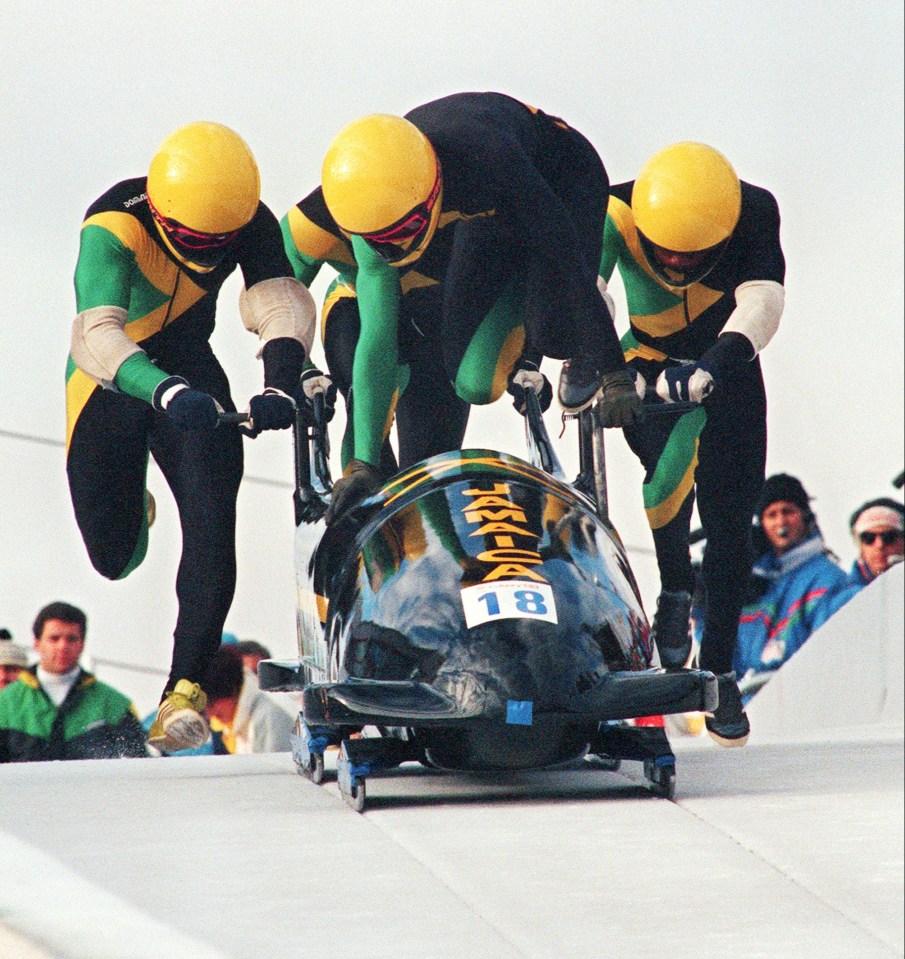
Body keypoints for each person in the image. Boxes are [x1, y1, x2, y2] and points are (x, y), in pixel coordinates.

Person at [66, 122, 316, 753]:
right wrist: (165, 392)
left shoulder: (249, 218)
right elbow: (98, 336)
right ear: (160, 212)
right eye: (191, 241)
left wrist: (281, 383)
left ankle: (185, 691)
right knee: (113, 558)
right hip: (114, 379)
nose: (207, 252)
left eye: (219, 243)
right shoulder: (112, 224)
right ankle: (135, 506)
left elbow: (281, 302)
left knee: (212, 518)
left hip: (189, 366)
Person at [313, 92, 642, 523]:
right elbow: (377, 339)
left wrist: (614, 370)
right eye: (380, 241)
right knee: (470, 380)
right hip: (485, 209)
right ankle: (533, 296)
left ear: (431, 195)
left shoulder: (490, 165)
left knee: (553, 327)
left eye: (407, 231)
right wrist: (364, 464)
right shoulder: (370, 213)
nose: (396, 248)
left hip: (558, 177)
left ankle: (571, 328)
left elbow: (567, 260)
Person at [599, 142, 786, 746]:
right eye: (665, 255)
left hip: (724, 364)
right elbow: (586, 287)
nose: (677, 263)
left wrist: (717, 362)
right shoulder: (615, 211)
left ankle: (722, 665)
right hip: (644, 362)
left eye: (693, 256)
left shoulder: (755, 211)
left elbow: (762, 301)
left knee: (731, 517)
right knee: (665, 478)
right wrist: (602, 367)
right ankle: (675, 586)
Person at [733, 475, 849, 700]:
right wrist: (703, 611)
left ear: (806, 516)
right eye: (771, 515)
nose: (781, 522)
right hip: (750, 708)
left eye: (788, 511)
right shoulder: (753, 584)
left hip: (801, 703)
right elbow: (730, 662)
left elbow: (828, 654)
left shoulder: (828, 578)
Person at [0, 602, 147, 762]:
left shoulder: (115, 706)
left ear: (82, 644)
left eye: (71, 639)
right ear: (37, 643)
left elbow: (138, 771)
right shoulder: (5, 705)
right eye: (54, 639)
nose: (63, 646)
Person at [202, 646, 294, 753]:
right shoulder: (240, 723)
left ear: (233, 689)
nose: (210, 714)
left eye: (212, 704)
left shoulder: (269, 718)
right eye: (205, 707)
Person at [841, 498, 905, 593]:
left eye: (888, 537)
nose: (879, 545)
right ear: (858, 543)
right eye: (868, 538)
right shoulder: (843, 597)